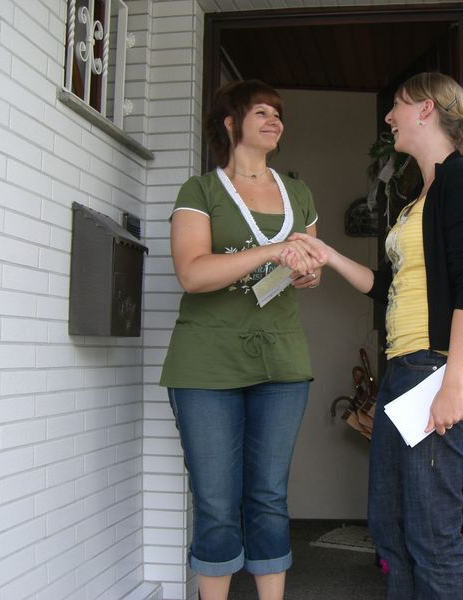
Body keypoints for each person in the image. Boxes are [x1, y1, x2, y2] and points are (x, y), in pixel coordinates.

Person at [291, 72, 463, 600]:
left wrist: (455, 380)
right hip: (407, 371)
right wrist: (330, 256)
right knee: (391, 528)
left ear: (425, 110)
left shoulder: (460, 180)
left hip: (439, 368)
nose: (388, 117)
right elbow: (389, 287)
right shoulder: (418, 193)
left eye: (396, 107)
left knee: (431, 534)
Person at [159, 79, 324, 600]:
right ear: (231, 124)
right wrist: (272, 253)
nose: (275, 120)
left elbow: (310, 268)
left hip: (281, 360)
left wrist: (304, 270)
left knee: (269, 495)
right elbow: (193, 273)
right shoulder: (200, 191)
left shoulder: (297, 192)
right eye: (261, 112)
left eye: (278, 113)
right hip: (205, 363)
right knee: (214, 498)